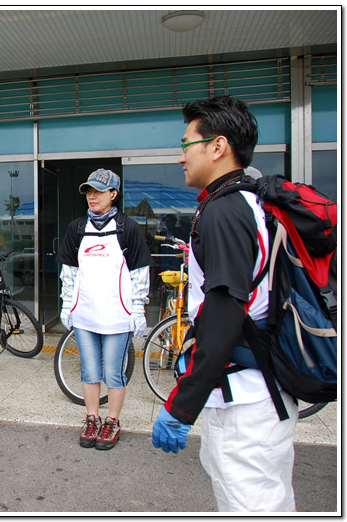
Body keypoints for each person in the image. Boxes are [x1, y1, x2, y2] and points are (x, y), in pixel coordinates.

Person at [151, 95, 298, 512]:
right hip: (253, 395)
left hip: (246, 405)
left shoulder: (226, 210)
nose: (180, 157)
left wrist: (181, 406)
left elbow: (223, 312)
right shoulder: (250, 203)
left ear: (217, 147)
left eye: (185, 145)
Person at [57, 168, 152, 451]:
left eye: (98, 191)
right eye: (88, 191)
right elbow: (69, 272)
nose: (92, 196)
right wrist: (66, 304)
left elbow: (139, 273)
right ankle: (91, 418)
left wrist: (137, 309)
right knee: (89, 371)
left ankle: (112, 421)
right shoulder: (76, 228)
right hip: (85, 315)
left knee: (114, 373)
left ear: (113, 194)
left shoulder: (127, 228)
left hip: (116, 316)